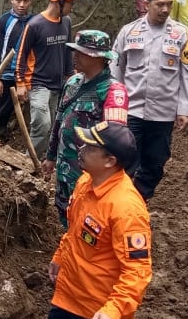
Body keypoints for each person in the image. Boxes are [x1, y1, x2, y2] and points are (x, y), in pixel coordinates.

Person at [33, 121, 152, 319]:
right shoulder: (87, 181)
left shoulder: (127, 209)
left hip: (100, 308)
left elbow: (138, 270)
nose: (81, 150)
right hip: (72, 289)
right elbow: (75, 231)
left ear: (110, 161)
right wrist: (60, 256)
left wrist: (114, 310)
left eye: (89, 147)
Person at [111, 0, 188, 202]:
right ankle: (121, 202)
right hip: (132, 110)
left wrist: (186, 109)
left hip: (163, 112)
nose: (165, 9)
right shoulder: (129, 32)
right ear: (147, 3)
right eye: (160, 4)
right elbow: (116, 69)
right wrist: (114, 103)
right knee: (125, 158)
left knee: (156, 162)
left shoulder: (181, 34)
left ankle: (140, 200)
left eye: (169, 5)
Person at [42, 30, 129, 224]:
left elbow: (115, 140)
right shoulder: (72, 83)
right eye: (76, 51)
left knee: (86, 220)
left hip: (89, 175)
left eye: (81, 53)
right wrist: (50, 156)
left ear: (98, 58)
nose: (75, 56)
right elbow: (59, 120)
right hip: (65, 168)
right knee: (65, 213)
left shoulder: (113, 92)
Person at [16, 0, 76, 154]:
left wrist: (70, 73)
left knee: (51, 129)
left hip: (57, 85)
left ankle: (40, 161)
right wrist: (20, 83)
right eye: (71, 3)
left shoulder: (66, 22)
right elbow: (21, 54)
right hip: (38, 84)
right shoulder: (35, 25)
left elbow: (67, 50)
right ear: (61, 1)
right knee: (42, 125)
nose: (72, 7)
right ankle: (28, 162)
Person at [0, 0, 34, 140]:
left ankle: (20, 141)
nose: (21, 5)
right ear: (11, 0)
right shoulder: (3, 22)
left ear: (30, 1)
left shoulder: (34, 22)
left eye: (25, 1)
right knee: (3, 110)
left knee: (27, 111)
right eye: (18, 0)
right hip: (7, 74)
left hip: (27, 74)